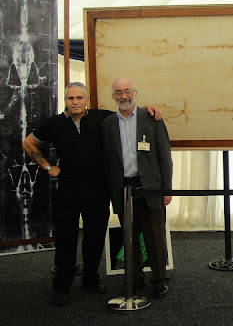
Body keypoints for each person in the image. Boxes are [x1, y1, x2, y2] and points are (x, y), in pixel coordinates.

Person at [22, 81, 162, 306]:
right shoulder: (55, 123)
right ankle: (62, 286)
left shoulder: (102, 118)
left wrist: (149, 108)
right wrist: (49, 168)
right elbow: (28, 144)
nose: (75, 102)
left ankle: (90, 280)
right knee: (66, 240)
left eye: (79, 98)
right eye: (70, 98)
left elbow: (127, 110)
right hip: (68, 190)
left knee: (95, 239)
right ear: (65, 100)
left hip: (98, 190)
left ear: (86, 100)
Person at [101, 77, 173, 299]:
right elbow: (106, 161)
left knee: (155, 237)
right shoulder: (106, 125)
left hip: (150, 188)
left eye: (127, 91)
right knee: (129, 238)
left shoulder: (151, 118)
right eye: (118, 92)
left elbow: (164, 156)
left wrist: (166, 189)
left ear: (135, 93)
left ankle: (160, 280)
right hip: (124, 190)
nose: (124, 96)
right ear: (113, 96)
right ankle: (135, 279)